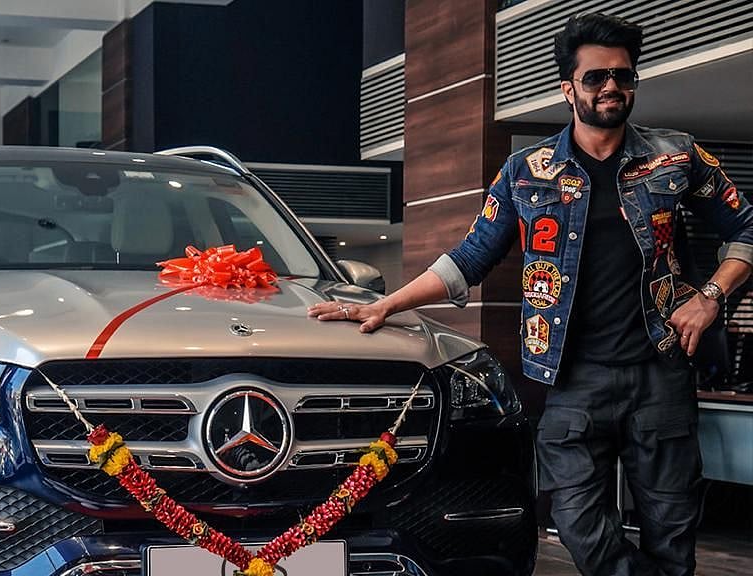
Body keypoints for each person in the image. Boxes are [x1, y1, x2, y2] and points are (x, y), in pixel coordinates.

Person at [309, 13, 753, 576]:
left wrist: (711, 295)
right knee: (576, 522)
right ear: (568, 89)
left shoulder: (677, 155)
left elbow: (747, 226)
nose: (611, 86)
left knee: (672, 528)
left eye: (623, 76)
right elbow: (471, 256)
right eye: (595, 77)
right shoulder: (526, 172)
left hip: (659, 373)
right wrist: (386, 303)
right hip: (573, 379)